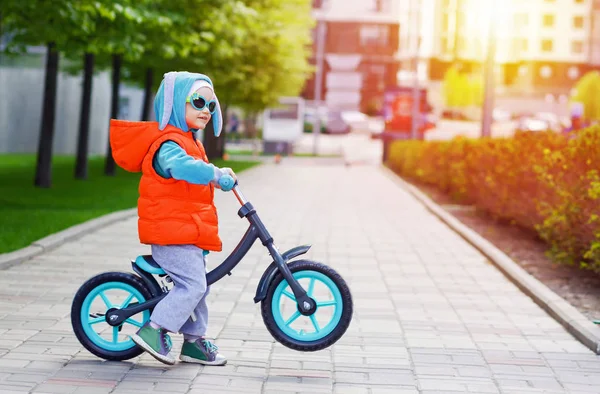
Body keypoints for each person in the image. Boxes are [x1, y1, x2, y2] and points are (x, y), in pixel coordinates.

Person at [109, 71, 236, 366]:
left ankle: (193, 341)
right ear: (176, 102)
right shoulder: (167, 144)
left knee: (198, 286)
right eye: (198, 101)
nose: (206, 110)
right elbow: (180, 168)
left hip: (185, 230)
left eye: (211, 105)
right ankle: (155, 330)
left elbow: (192, 174)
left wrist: (215, 178)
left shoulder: (190, 141)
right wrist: (214, 173)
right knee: (193, 286)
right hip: (170, 232)